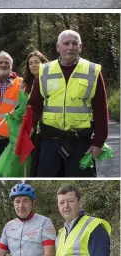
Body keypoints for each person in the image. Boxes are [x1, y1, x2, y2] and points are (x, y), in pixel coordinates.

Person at [29, 30, 109, 177]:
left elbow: (101, 109)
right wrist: (30, 127)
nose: (70, 47)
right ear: (58, 47)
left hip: (80, 143)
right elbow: (34, 105)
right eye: (66, 43)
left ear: (80, 47)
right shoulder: (44, 71)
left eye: (74, 43)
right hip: (49, 141)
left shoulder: (93, 70)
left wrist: (98, 141)